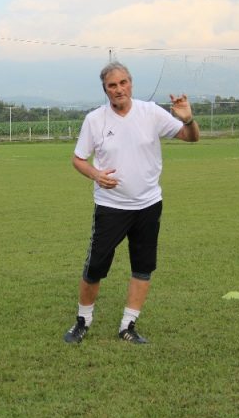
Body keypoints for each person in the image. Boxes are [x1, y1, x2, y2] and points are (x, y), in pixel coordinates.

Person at [63, 61, 199, 345]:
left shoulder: (150, 113)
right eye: (112, 85)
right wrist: (96, 175)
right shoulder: (95, 120)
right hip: (111, 207)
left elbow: (191, 137)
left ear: (131, 83)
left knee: (143, 266)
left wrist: (188, 119)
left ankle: (128, 325)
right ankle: (82, 321)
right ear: (105, 90)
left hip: (149, 205)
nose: (118, 89)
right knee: (95, 267)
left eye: (123, 83)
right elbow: (78, 159)